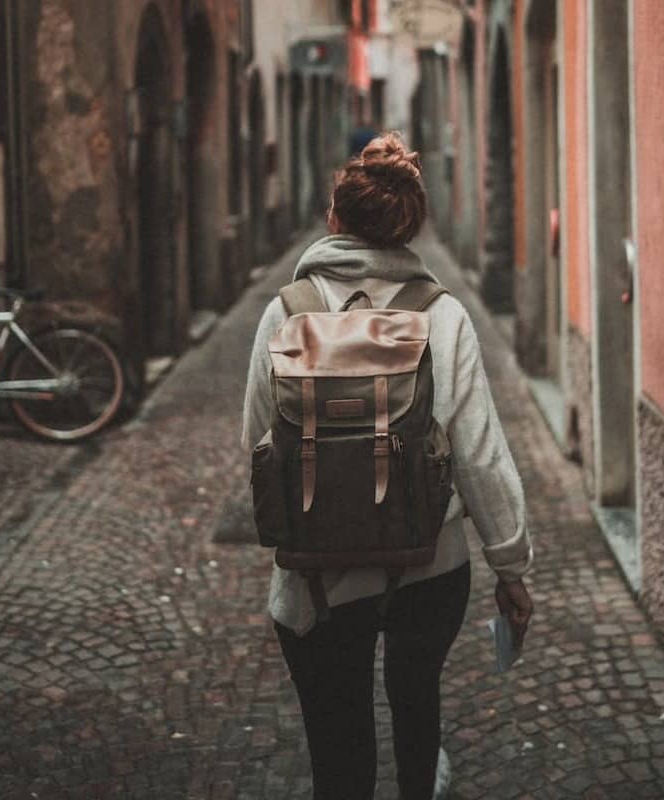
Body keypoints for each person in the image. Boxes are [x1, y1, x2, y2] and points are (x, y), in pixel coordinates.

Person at [241, 132, 534, 800]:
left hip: (316, 575)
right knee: (415, 703)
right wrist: (512, 567)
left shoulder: (284, 314)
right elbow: (481, 456)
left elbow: (257, 445)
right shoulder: (445, 317)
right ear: (409, 225)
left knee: (337, 743)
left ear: (334, 218)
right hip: (429, 567)